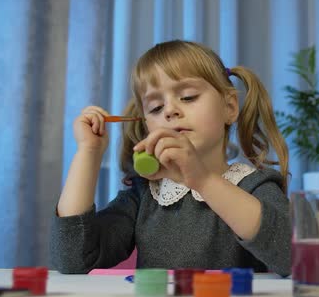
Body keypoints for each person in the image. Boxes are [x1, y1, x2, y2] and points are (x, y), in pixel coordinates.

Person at [50, 40, 291, 276]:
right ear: (147, 126)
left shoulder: (256, 185)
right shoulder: (143, 194)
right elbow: (73, 259)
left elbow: (291, 257)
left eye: (187, 97)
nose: (169, 110)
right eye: (155, 108)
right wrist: (88, 152)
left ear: (229, 107)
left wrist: (204, 181)